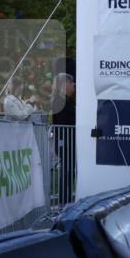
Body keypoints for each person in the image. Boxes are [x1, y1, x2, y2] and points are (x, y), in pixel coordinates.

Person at [51, 73, 76, 206]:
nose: (74, 86)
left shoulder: (66, 100)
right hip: (64, 140)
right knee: (67, 171)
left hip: (67, 140)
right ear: (65, 84)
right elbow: (68, 119)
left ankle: (65, 202)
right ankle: (63, 203)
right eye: (72, 83)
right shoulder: (59, 101)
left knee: (69, 171)